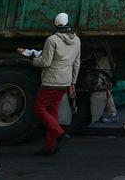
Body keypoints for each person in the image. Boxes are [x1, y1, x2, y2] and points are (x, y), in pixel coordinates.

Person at [18, 12, 81, 155]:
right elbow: (77, 63)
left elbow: (45, 62)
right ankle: (49, 147)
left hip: (51, 81)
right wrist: (73, 82)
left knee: (40, 109)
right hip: (65, 82)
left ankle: (60, 134)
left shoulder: (52, 39)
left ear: (55, 24)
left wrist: (32, 58)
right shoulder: (77, 40)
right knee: (52, 113)